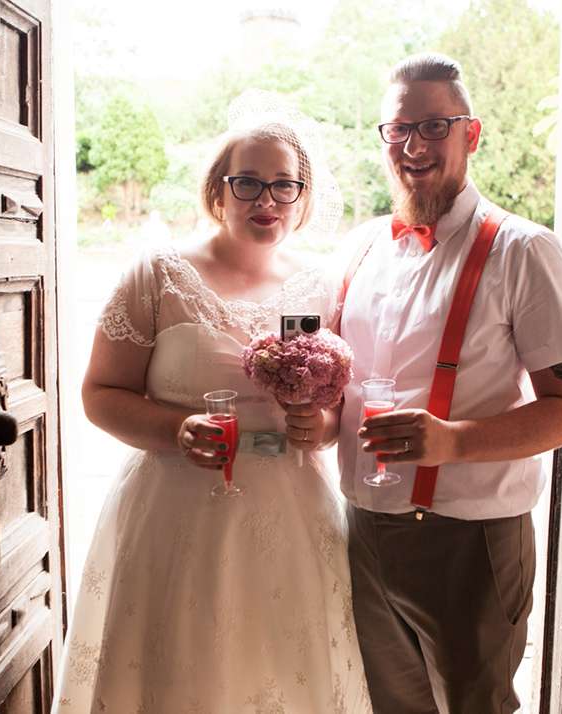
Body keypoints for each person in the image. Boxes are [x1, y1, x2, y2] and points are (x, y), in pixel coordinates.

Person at [54, 96, 370, 713]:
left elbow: (337, 410)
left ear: (302, 196)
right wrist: (178, 429)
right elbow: (100, 394)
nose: (266, 200)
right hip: (175, 511)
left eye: (284, 185)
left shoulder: (323, 287)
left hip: (291, 511)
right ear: (218, 190)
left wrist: (322, 426)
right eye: (248, 182)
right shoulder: (157, 275)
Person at [335, 53, 562, 713]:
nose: (414, 145)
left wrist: (452, 442)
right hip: (361, 528)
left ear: (470, 134)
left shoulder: (523, 250)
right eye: (399, 129)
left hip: (468, 540)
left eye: (434, 126)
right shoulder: (361, 248)